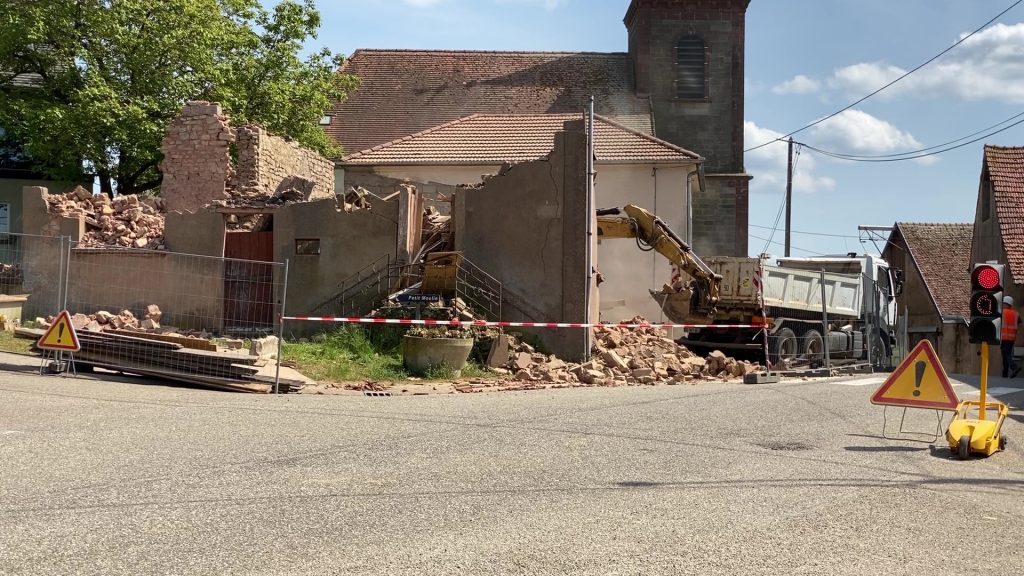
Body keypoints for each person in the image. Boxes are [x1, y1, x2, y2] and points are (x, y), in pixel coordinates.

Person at [1001, 295, 1022, 378]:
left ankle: (1014, 367)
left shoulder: (1002, 312)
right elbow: (1020, 324)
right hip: (1012, 338)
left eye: (1003, 303)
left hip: (1004, 337)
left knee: (1006, 354)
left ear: (1006, 304)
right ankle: (1005, 373)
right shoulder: (1016, 314)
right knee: (1006, 354)